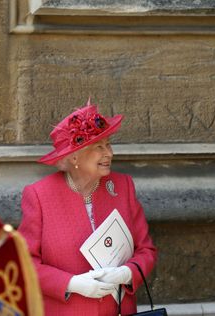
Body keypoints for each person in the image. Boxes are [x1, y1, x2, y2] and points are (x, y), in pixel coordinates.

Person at [18, 99, 157, 315]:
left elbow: (146, 250)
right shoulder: (39, 195)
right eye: (98, 147)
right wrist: (71, 283)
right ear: (74, 156)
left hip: (118, 310)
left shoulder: (123, 186)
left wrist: (126, 273)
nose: (108, 153)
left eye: (109, 144)